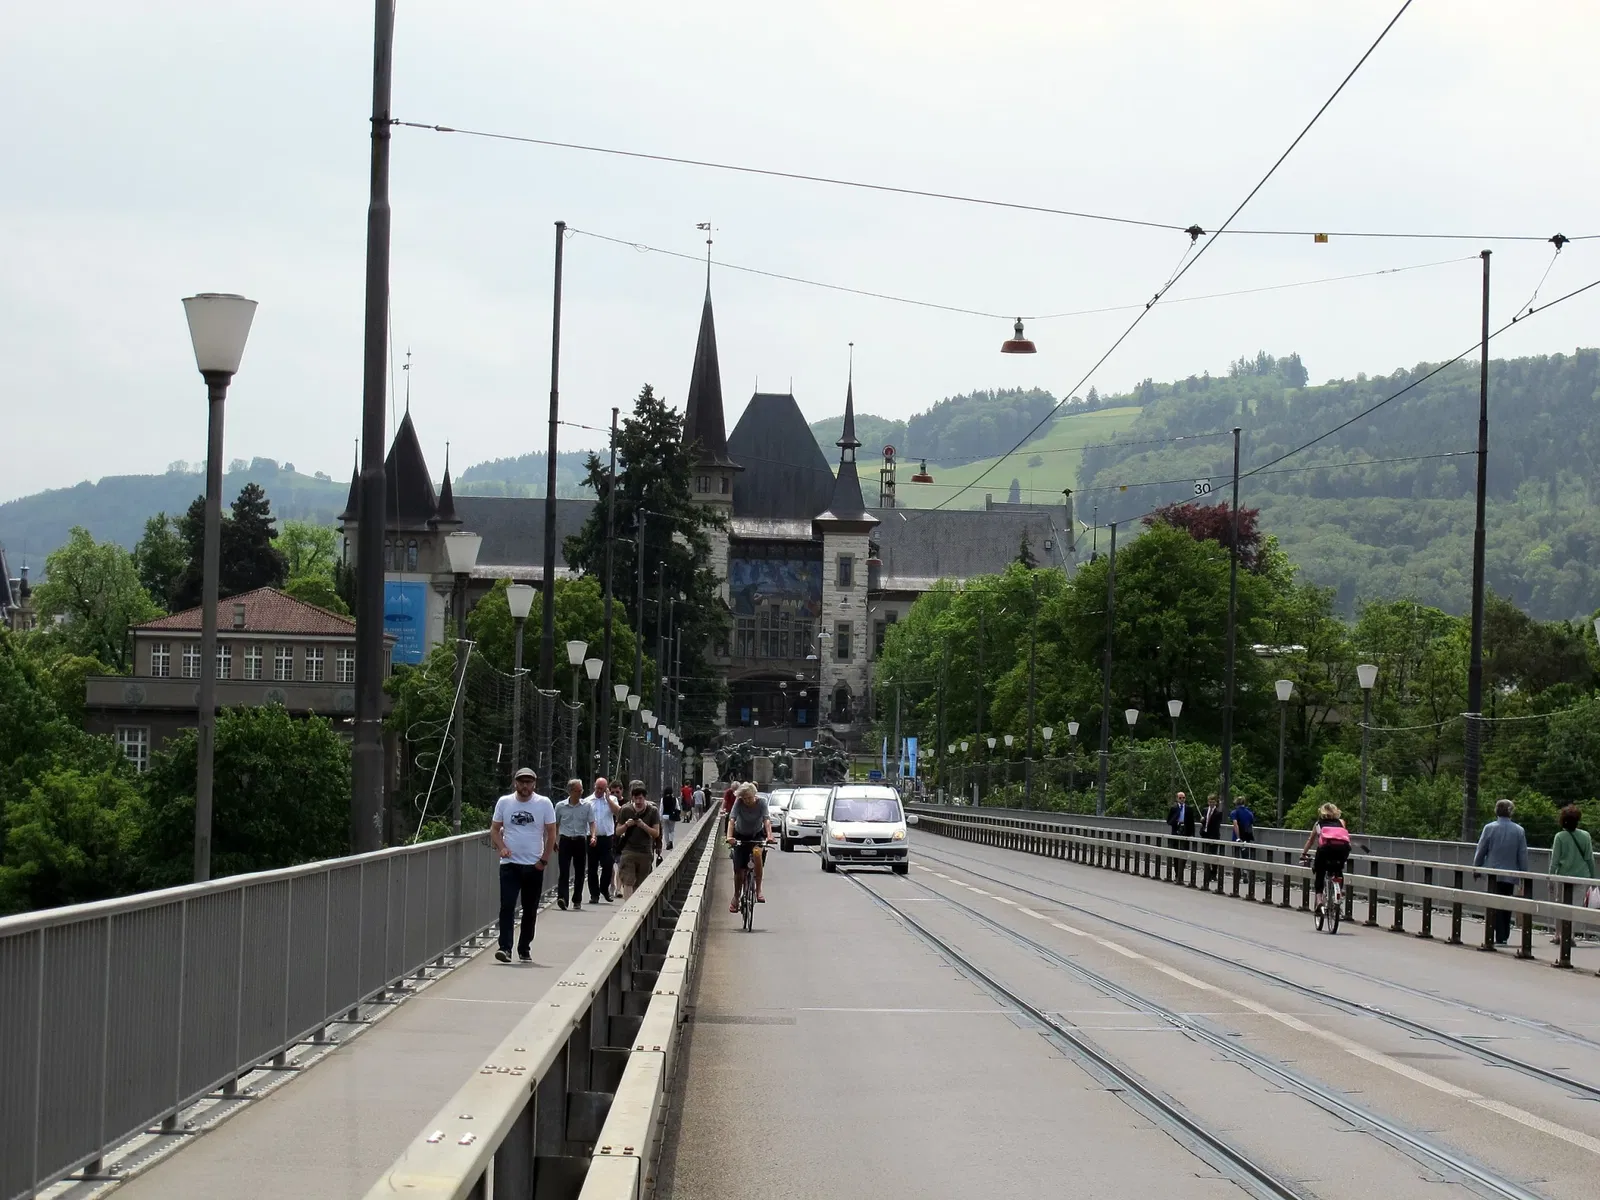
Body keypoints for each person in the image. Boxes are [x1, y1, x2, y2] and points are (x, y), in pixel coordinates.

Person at [491, 767, 557, 964]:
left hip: (533, 865)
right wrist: (501, 847)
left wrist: (544, 859)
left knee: (529, 909)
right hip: (510, 864)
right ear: (515, 783)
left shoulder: (543, 804)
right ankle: (505, 947)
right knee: (507, 906)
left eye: (529, 782)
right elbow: (494, 829)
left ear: (534, 784)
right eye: (521, 782)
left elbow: (551, 832)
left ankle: (524, 947)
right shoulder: (505, 802)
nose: (525, 786)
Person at [1474, 798, 1529, 945]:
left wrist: (1476, 867)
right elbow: (1522, 854)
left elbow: (1481, 849)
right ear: (1511, 812)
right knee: (1506, 903)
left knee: (1494, 904)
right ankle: (1504, 934)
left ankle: (1497, 934)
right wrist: (1524, 874)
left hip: (1493, 874)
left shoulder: (1489, 828)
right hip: (1511, 874)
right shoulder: (1519, 830)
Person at [726, 781, 773, 913]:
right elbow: (732, 819)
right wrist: (730, 837)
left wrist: (769, 835)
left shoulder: (762, 803)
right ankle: (736, 896)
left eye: (749, 798)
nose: (746, 801)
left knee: (757, 854)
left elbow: (766, 820)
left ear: (754, 795)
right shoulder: (739, 803)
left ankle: (758, 889)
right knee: (739, 871)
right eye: (744, 798)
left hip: (756, 835)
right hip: (740, 836)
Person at [1299, 802, 1351, 916]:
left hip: (1325, 851)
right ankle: (1338, 897)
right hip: (1342, 850)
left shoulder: (1318, 824)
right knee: (1338, 871)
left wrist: (1304, 853)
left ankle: (1319, 901)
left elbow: (1311, 840)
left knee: (1320, 873)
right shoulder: (1341, 822)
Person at [555, 778, 596, 911]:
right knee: (564, 871)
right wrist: (554, 840)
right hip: (565, 840)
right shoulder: (560, 806)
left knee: (579, 872)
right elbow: (555, 824)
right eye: (578, 791)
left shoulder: (586, 806)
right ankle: (562, 898)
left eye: (581, 790)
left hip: (580, 840)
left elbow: (592, 822)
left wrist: (593, 836)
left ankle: (577, 899)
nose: (580, 793)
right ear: (570, 791)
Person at [616, 781, 661, 898]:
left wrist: (643, 825)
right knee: (628, 881)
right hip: (628, 850)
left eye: (640, 799)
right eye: (635, 799)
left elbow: (656, 833)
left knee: (641, 884)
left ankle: (636, 907)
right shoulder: (626, 810)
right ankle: (627, 909)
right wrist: (626, 825)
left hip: (645, 851)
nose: (638, 802)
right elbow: (617, 831)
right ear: (632, 798)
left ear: (645, 798)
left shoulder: (653, 811)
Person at [586, 776, 620, 904]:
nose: (599, 791)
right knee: (592, 867)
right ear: (595, 787)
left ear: (606, 789)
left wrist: (607, 799)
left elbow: (618, 812)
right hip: (592, 837)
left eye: (602, 789)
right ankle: (594, 894)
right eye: (598, 788)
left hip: (607, 837)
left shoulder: (612, 799)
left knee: (608, 864)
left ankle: (604, 888)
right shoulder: (588, 801)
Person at [1199, 793, 1225, 886]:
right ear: (1208, 802)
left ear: (1216, 803)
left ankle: (1214, 874)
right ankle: (1208, 873)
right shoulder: (1205, 810)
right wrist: (1202, 820)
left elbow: (1216, 823)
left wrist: (1205, 819)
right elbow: (1204, 822)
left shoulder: (1218, 812)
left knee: (1213, 856)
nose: (1211, 804)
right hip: (1205, 835)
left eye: (1213, 802)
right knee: (1204, 855)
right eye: (1210, 802)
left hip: (1213, 836)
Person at [660, 785, 679, 855]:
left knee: (666, 830)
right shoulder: (675, 799)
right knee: (672, 830)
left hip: (665, 816)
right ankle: (671, 841)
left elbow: (661, 809)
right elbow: (678, 807)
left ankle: (667, 842)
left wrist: (660, 817)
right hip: (672, 816)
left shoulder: (663, 799)